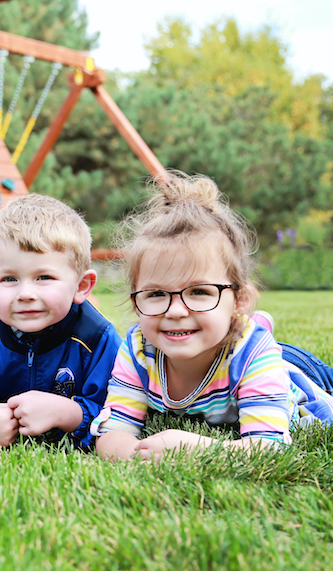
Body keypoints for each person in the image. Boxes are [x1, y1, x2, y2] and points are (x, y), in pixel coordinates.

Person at [92, 172, 333, 462]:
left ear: (238, 300)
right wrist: (134, 455)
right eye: (156, 294)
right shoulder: (138, 349)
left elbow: (268, 449)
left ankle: (261, 328)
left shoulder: (252, 354)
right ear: (135, 302)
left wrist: (191, 448)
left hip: (289, 368)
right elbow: (113, 432)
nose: (176, 311)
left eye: (199, 292)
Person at [0, 193, 122, 450]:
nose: (26, 294)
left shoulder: (97, 339)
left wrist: (70, 414)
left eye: (44, 277)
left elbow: (122, 414)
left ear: (81, 286)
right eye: (9, 279)